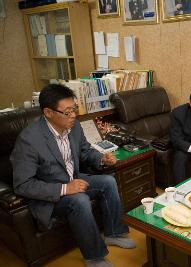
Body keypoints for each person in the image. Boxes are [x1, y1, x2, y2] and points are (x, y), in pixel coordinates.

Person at [11, 84, 135, 267]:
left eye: (74, 109)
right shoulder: (29, 140)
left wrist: (102, 159)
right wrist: (65, 188)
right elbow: (23, 185)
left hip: (74, 180)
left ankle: (114, 233)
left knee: (108, 181)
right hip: (51, 195)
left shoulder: (74, 126)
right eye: (67, 112)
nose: (73, 115)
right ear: (48, 112)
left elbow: (85, 151)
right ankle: (94, 257)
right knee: (79, 200)